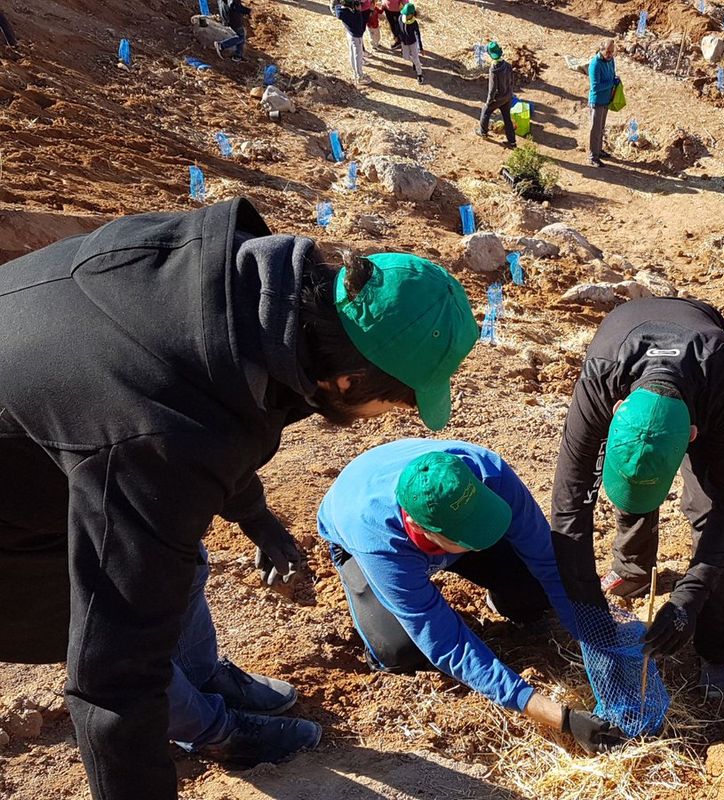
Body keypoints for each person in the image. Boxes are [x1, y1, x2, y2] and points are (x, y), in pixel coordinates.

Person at [0, 198, 479, 800]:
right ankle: (216, 733)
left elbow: (213, 409)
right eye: (398, 403)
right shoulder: (162, 435)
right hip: (14, 525)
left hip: (52, 413)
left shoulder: (230, 286)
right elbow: (112, 681)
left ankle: (206, 679)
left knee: (178, 551)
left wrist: (257, 519)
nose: (388, 419)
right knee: (127, 627)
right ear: (348, 382)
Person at [317, 439, 627, 753]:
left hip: (448, 531)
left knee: (535, 594)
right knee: (401, 652)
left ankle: (499, 591)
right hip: (359, 539)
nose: (481, 537)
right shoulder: (380, 543)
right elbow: (446, 643)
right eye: (471, 534)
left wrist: (598, 641)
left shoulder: (487, 472)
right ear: (419, 527)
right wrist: (562, 718)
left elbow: (549, 564)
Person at [551, 297, 724, 692]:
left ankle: (717, 647)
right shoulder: (601, 378)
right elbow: (569, 506)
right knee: (633, 474)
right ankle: (631, 569)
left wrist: (689, 599)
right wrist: (591, 613)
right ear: (616, 410)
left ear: (692, 436)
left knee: (708, 510)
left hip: (706, 374)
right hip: (625, 336)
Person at [474, 41, 516, 148]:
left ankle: (483, 132)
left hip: (498, 97)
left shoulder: (494, 70)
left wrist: (489, 101)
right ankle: (512, 142)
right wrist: (510, 93)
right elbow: (511, 81)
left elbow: (492, 89)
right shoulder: (508, 65)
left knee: (486, 111)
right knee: (507, 118)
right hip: (507, 96)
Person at [587, 37, 618, 168]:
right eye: (608, 52)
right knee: (595, 129)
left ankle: (599, 150)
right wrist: (611, 83)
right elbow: (595, 86)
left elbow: (612, 74)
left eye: (612, 51)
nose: (610, 54)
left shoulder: (610, 61)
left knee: (601, 128)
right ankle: (592, 156)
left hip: (606, 99)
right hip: (597, 101)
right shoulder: (595, 64)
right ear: (602, 50)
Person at [334, 0, 372, 85]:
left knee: (352, 53)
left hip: (350, 34)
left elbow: (336, 6)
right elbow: (359, 24)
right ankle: (359, 76)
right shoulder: (353, 14)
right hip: (356, 36)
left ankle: (355, 73)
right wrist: (358, 11)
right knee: (358, 55)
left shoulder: (340, 10)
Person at [397, 2, 424, 85]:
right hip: (404, 42)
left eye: (407, 14)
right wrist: (399, 38)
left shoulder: (414, 23)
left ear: (412, 14)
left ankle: (419, 74)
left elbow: (417, 35)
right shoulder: (400, 17)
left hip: (413, 43)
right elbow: (398, 28)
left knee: (416, 58)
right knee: (405, 57)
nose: (405, 15)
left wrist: (421, 47)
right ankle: (415, 63)